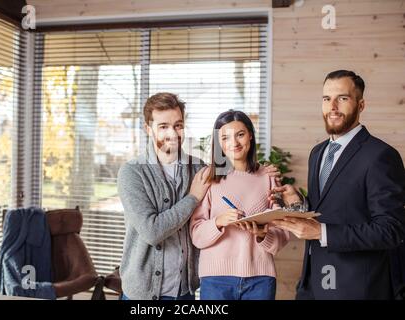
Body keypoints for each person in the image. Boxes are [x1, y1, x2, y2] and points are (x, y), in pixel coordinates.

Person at [117, 93, 282, 300]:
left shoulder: (200, 170)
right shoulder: (132, 172)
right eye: (163, 126)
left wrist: (263, 171)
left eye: (178, 125)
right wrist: (192, 198)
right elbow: (151, 231)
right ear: (148, 129)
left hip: (184, 291)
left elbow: (234, 173)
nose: (172, 133)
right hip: (144, 293)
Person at [271, 70, 405, 299]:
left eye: (342, 98)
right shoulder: (318, 152)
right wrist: (299, 203)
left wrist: (321, 232)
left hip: (357, 289)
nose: (332, 106)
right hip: (313, 284)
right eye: (326, 99)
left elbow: (390, 230)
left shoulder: (381, 155)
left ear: (361, 105)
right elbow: (329, 208)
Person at [189, 110, 290, 300]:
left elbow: (282, 234)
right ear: (218, 143)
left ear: (250, 136)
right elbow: (196, 235)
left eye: (240, 135)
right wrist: (218, 222)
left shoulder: (268, 177)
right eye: (225, 137)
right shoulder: (207, 177)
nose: (234, 143)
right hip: (215, 280)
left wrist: (263, 235)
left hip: (260, 279)